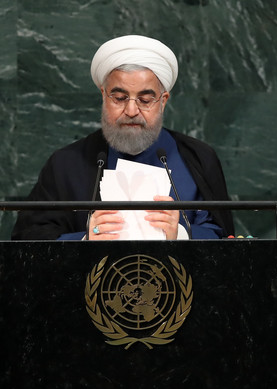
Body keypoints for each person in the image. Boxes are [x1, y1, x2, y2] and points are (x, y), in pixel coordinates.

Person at [11, 35, 234, 241]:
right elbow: (28, 238)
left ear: (163, 101)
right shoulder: (66, 163)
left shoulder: (198, 158)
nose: (131, 110)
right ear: (103, 95)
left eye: (145, 100)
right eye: (119, 98)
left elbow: (221, 235)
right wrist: (85, 239)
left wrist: (181, 233)